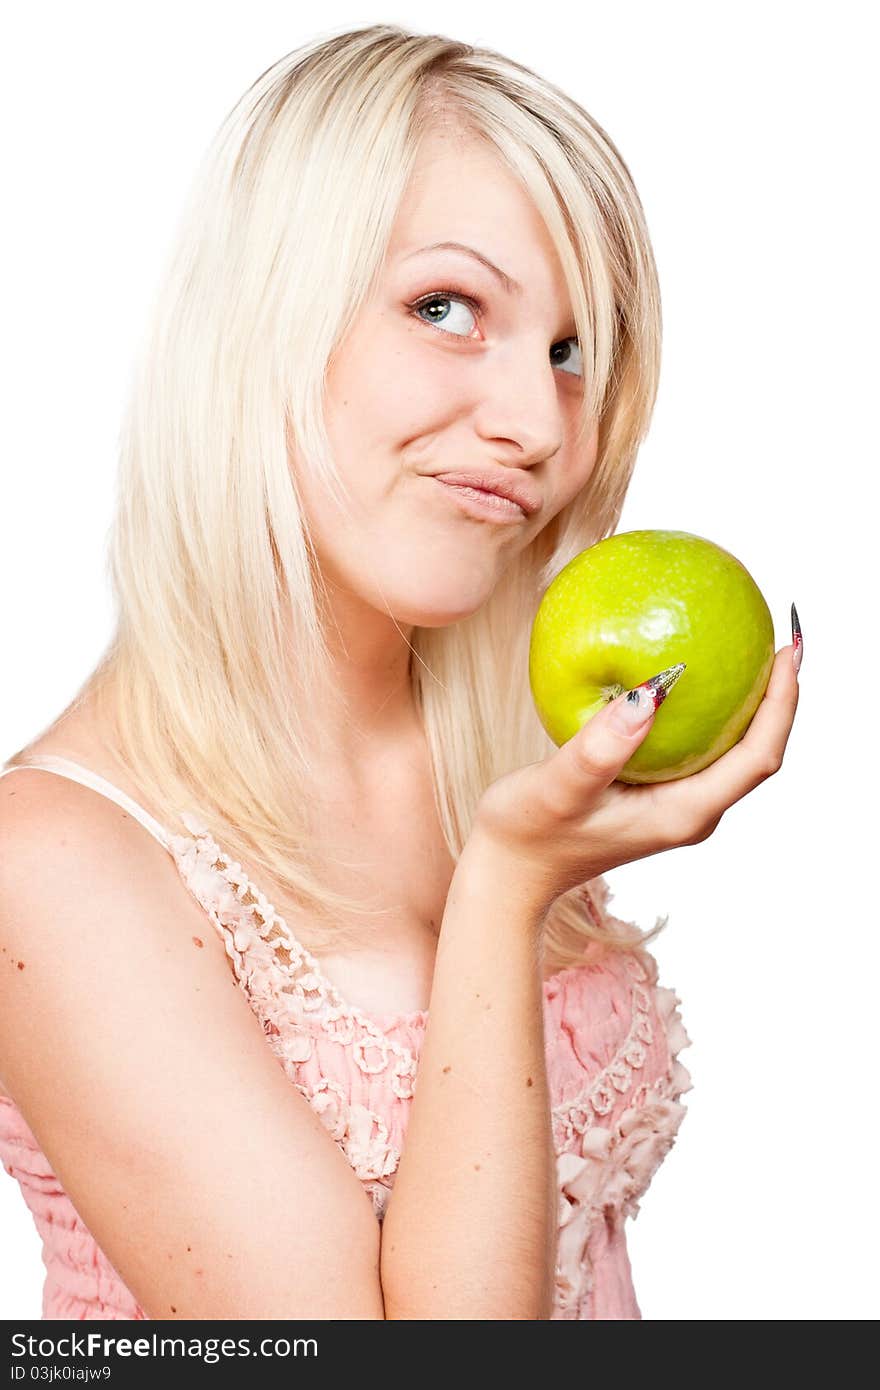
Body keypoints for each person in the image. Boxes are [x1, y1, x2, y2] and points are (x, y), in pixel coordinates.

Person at [0, 23, 801, 1321]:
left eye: (570, 349)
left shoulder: (499, 743)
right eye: (446, 308)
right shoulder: (56, 860)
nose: (540, 426)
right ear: (266, 318)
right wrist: (506, 884)